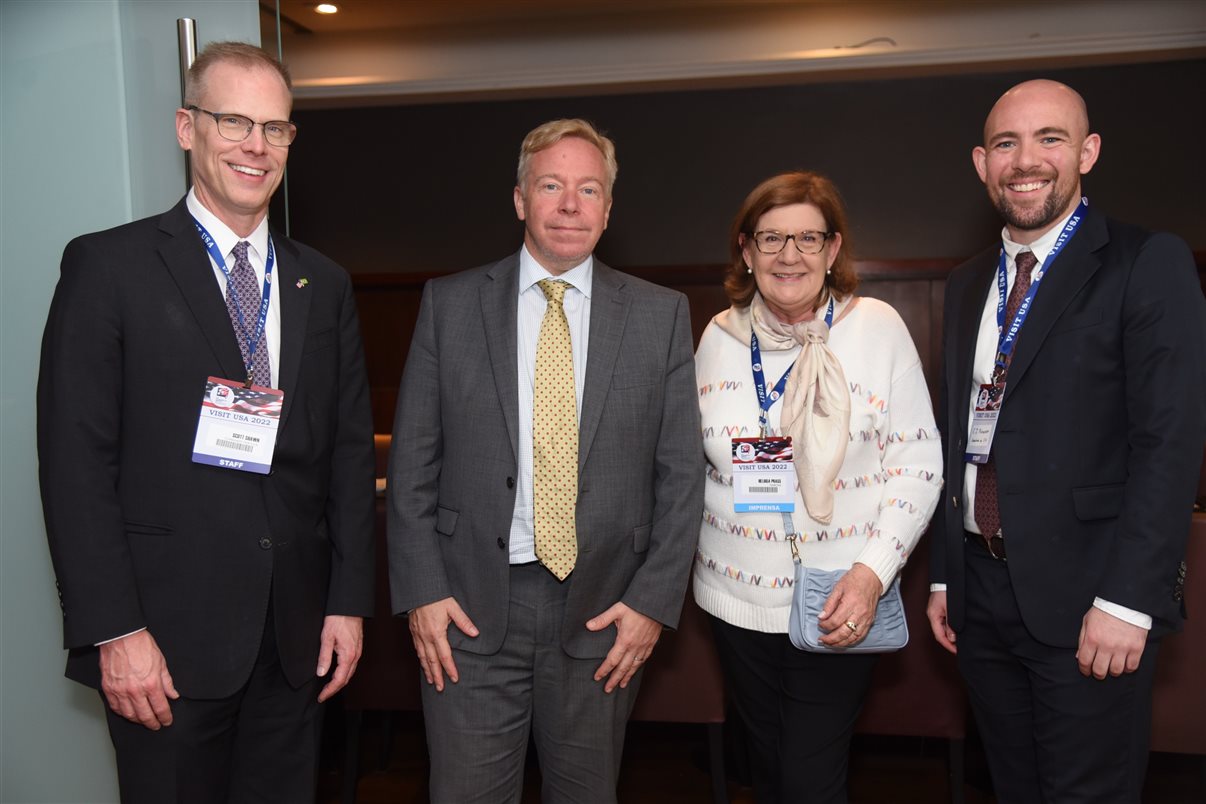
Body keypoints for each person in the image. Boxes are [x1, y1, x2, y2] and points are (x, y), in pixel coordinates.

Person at [37, 42, 375, 803]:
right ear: (186, 128)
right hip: (163, 645)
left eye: (276, 129)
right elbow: (74, 464)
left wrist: (347, 601)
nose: (256, 146)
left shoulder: (322, 281)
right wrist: (115, 632)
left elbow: (348, 453)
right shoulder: (109, 268)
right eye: (233, 122)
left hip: (294, 643)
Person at [387, 118, 703, 803]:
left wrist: (650, 605)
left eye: (588, 189)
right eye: (551, 185)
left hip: (603, 617)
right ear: (520, 199)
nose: (569, 204)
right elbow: (412, 463)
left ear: (609, 208)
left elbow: (682, 477)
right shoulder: (450, 304)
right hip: (466, 612)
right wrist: (421, 592)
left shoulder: (660, 316)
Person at [927, 79, 1205, 803]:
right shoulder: (963, 286)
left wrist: (1130, 600)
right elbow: (956, 436)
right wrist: (944, 574)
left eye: (1050, 139)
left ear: (1088, 152)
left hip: (1090, 600)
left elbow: (1169, 445)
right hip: (981, 597)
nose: (1027, 161)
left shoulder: (1147, 262)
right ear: (981, 163)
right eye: (1007, 144)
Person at [693, 171, 943, 803]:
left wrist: (873, 573)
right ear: (745, 251)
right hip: (734, 600)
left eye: (808, 238)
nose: (789, 255)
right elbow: (691, 464)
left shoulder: (877, 328)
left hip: (840, 597)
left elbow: (918, 463)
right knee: (770, 769)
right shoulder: (717, 338)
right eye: (771, 238)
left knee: (809, 777)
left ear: (833, 250)